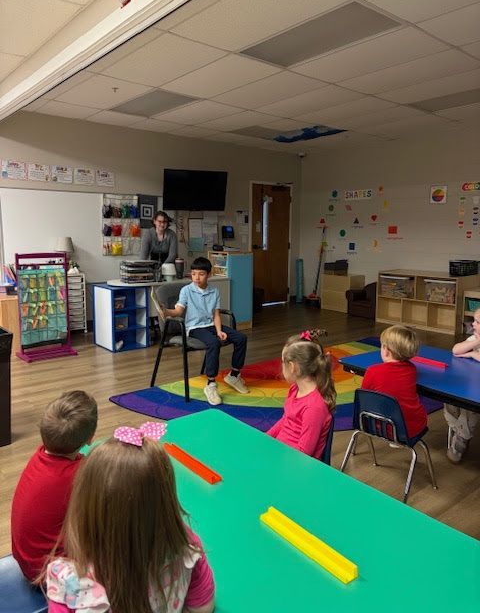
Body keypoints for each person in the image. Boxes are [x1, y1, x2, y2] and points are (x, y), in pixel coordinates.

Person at [42, 422, 215, 613]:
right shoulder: (186, 547)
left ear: (84, 509)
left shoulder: (69, 581)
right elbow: (203, 608)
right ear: (166, 505)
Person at [11, 390, 98, 582]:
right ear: (90, 438)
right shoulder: (77, 475)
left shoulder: (39, 455)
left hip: (27, 561)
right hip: (50, 575)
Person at [160, 256, 248, 406]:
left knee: (241, 338)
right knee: (214, 343)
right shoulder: (186, 290)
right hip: (195, 328)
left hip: (211, 325)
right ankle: (211, 384)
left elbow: (216, 315)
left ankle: (234, 375)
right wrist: (166, 311)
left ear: (209, 275)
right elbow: (178, 311)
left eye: (201, 274)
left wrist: (219, 330)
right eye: (193, 274)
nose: (196, 277)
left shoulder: (214, 291)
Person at [266, 329, 335, 460]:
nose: (281, 366)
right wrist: (265, 438)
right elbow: (286, 420)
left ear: (292, 367)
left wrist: (275, 454)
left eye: (283, 362)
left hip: (294, 462)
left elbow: (304, 453)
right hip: (281, 452)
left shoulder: (314, 407)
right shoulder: (295, 389)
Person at [361, 324, 427, 439]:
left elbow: (364, 400)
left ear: (386, 351)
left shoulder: (373, 371)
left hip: (385, 428)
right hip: (415, 426)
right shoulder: (411, 369)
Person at [445, 308, 480, 463]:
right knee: (449, 399)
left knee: (469, 408)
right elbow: (456, 350)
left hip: (476, 389)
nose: (473, 324)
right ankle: (460, 432)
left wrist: (472, 354)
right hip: (469, 380)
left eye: (477, 322)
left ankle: (461, 439)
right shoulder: (475, 338)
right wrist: (477, 342)